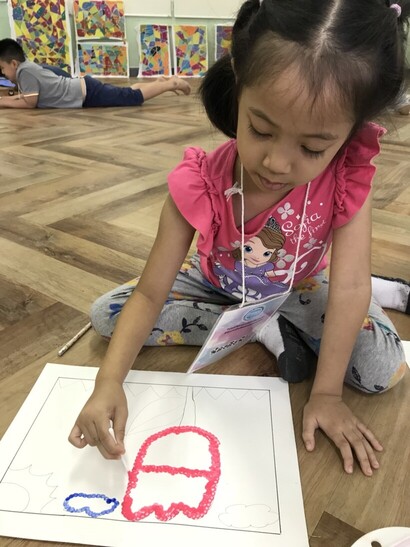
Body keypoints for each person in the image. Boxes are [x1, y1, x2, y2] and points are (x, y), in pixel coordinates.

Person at [69, 0, 410, 476]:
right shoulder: (201, 182)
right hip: (217, 279)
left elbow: (348, 287)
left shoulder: (347, 178)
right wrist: (108, 383)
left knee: (382, 369)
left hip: (300, 284)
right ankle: (264, 326)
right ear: (238, 82)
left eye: (312, 148)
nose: (277, 163)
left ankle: (369, 293)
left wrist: (327, 394)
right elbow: (149, 293)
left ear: (352, 132)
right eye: (260, 130)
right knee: (107, 315)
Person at [0, 38, 190, 109]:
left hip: (86, 94)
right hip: (84, 89)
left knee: (132, 98)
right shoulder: (27, 68)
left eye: (2, 68)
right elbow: (26, 97)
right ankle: (160, 82)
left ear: (14, 63)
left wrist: (3, 102)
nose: (3, 73)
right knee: (126, 92)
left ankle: (171, 84)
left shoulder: (24, 72)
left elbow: (30, 103)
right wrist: (7, 99)